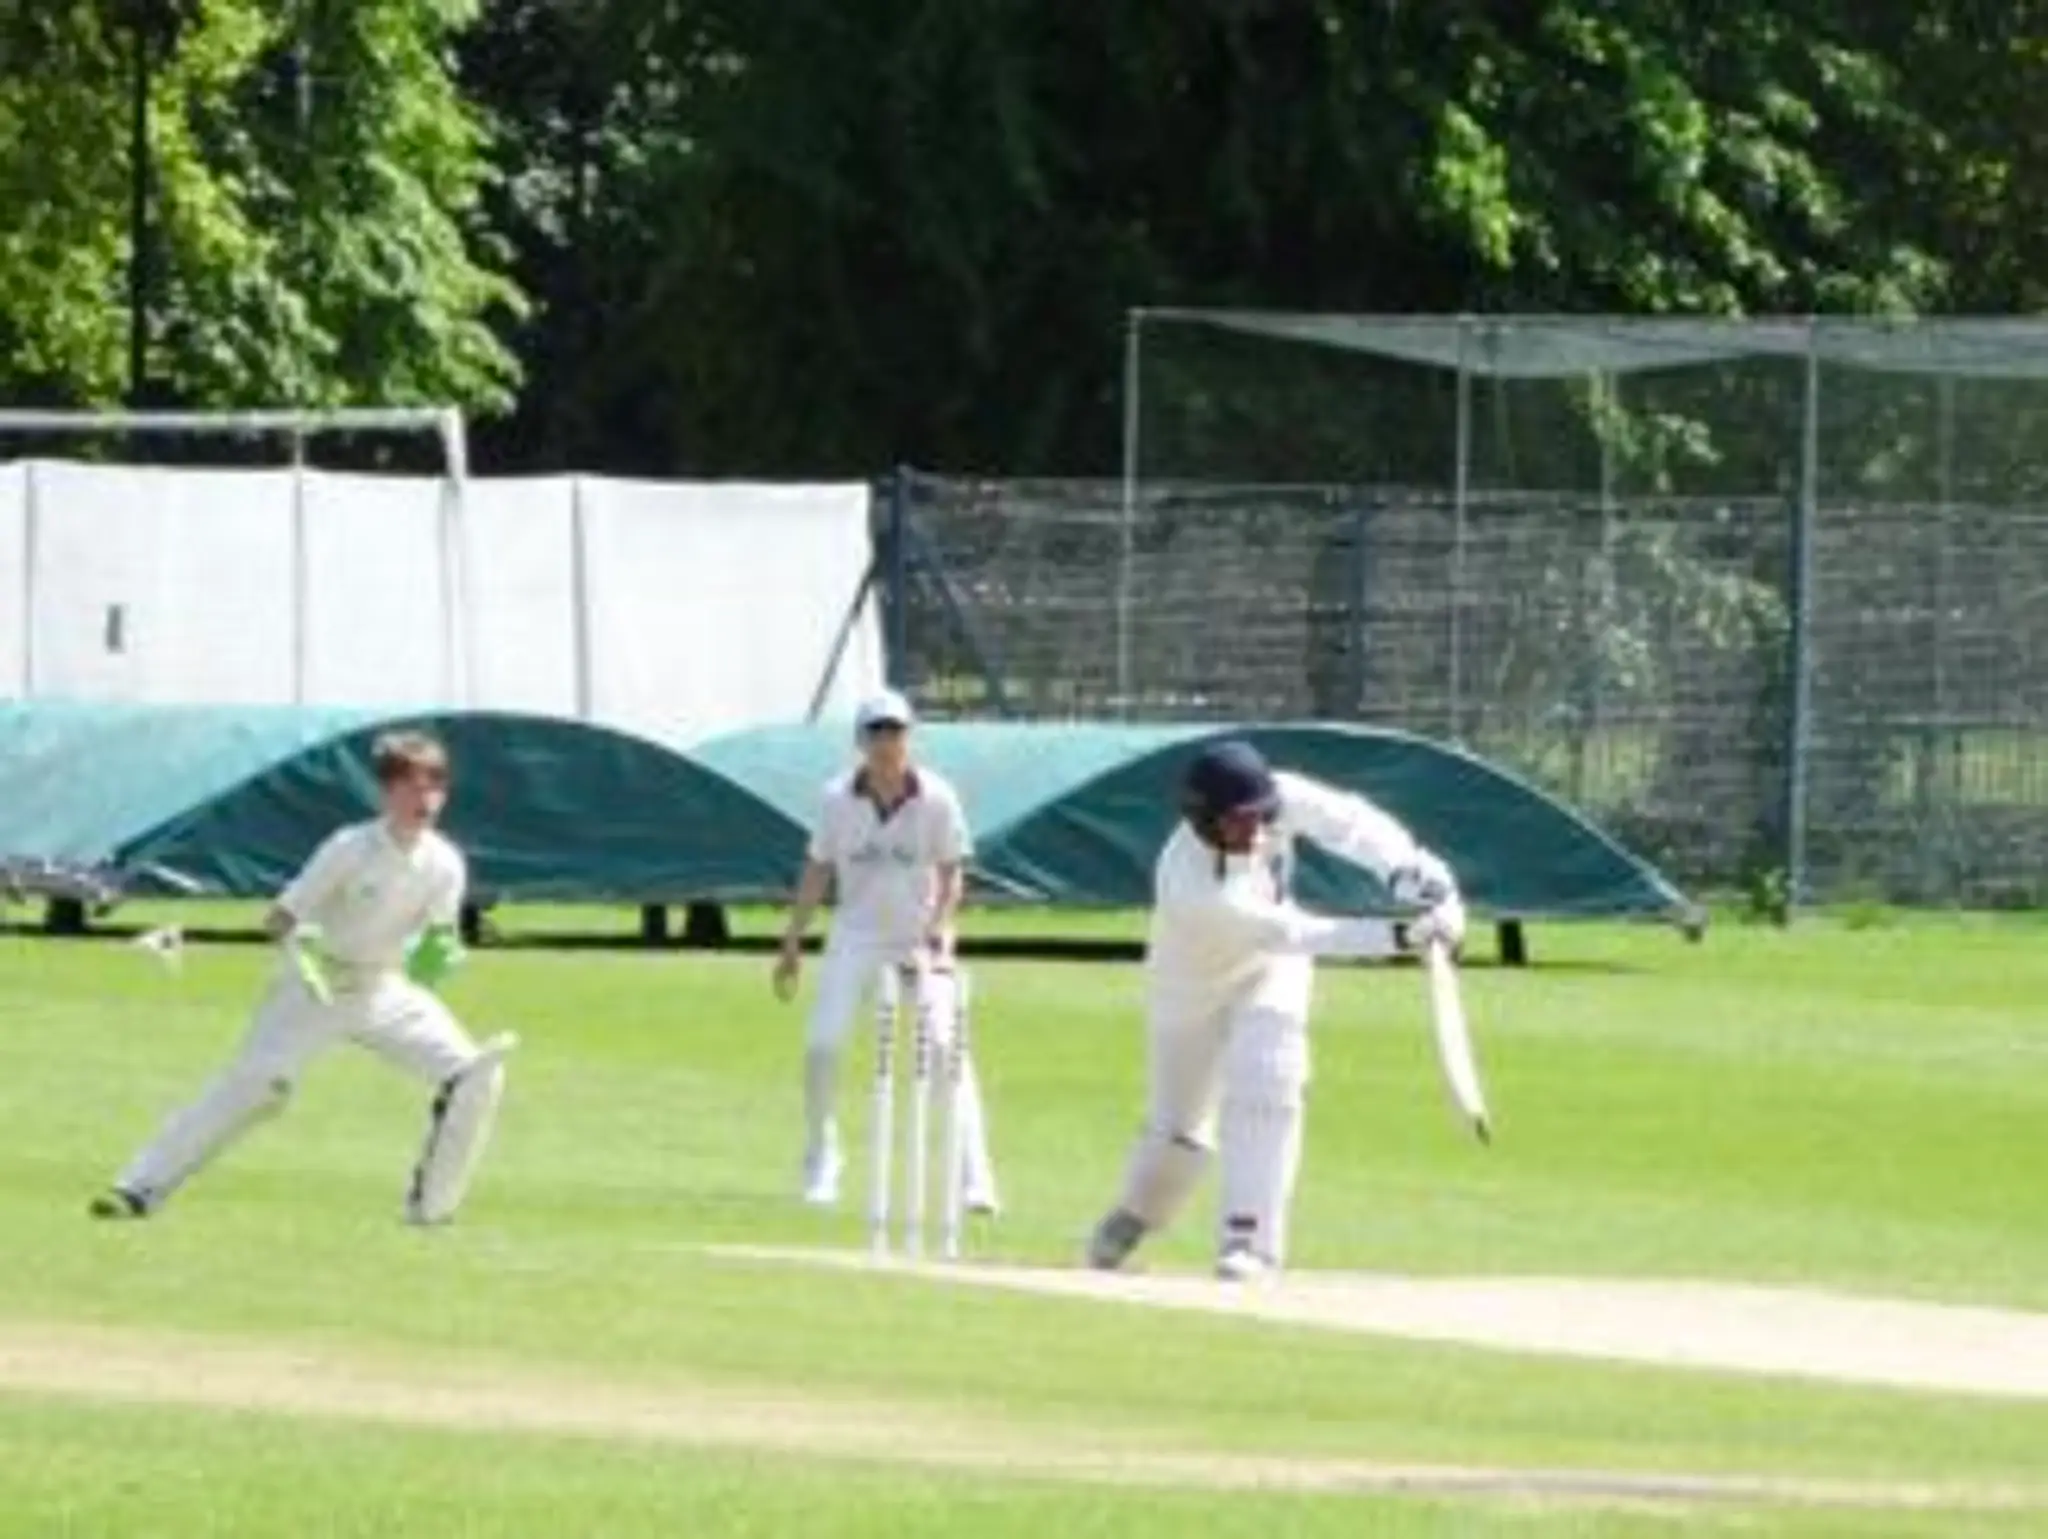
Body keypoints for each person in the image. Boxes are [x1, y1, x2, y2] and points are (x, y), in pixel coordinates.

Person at [90, 731, 514, 1225]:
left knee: (476, 1076)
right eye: (412, 787)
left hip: (383, 989)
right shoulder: (348, 848)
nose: (425, 800)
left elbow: (434, 944)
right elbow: (283, 916)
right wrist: (305, 950)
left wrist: (439, 957)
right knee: (258, 1086)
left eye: (434, 787)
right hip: (314, 986)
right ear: (387, 792)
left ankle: (431, 1212)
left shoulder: (444, 863)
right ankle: (138, 1188)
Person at [1085, 739, 1465, 1281]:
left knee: (1269, 1072)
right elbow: (1290, 931)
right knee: (1177, 1132)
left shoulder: (1276, 797)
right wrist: (1402, 935)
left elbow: (1350, 824)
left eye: (1260, 816)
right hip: (1190, 992)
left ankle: (1250, 1240)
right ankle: (1136, 1214)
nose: (1257, 831)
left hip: (1271, 970)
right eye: (1240, 822)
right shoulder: (1190, 885)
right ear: (1203, 820)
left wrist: (1412, 872)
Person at [773, 690, 997, 1212]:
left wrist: (940, 932)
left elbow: (952, 872)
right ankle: (822, 1160)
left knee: (947, 1052)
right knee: (822, 1046)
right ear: (861, 741)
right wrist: (791, 942)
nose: (886, 743)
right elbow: (817, 869)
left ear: (910, 737)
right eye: (876, 732)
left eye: (895, 732)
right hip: (855, 935)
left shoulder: (938, 797)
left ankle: (975, 1180)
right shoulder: (835, 798)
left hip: (917, 938)